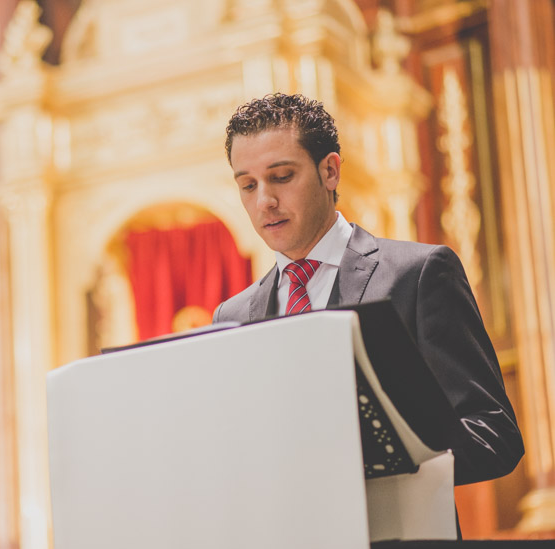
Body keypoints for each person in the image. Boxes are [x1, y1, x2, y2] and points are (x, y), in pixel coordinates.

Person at [213, 93, 523, 485]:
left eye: (282, 177)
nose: (264, 202)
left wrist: (369, 460)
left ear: (330, 171)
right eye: (248, 185)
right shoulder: (232, 316)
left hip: (401, 542)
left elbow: (495, 435)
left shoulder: (419, 274)